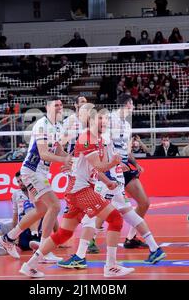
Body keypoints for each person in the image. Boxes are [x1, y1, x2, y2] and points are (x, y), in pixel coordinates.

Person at [19, 105, 134, 278]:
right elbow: (99, 166)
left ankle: (30, 265)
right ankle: (110, 267)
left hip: (80, 190)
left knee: (65, 233)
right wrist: (114, 163)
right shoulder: (87, 137)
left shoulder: (100, 140)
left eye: (107, 119)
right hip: (80, 190)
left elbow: (96, 170)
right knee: (116, 219)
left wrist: (108, 181)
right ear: (92, 120)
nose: (105, 122)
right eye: (101, 118)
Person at [57, 116, 166, 270]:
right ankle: (155, 248)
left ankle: (81, 256)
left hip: (107, 180)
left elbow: (99, 165)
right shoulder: (102, 136)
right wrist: (119, 165)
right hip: (116, 178)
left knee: (91, 216)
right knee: (128, 213)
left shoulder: (96, 137)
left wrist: (108, 177)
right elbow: (109, 158)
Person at [1, 96, 72, 263]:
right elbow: (44, 154)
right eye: (56, 105)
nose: (60, 107)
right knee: (54, 206)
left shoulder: (58, 126)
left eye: (61, 105)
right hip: (32, 171)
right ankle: (43, 250)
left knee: (41, 210)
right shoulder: (41, 126)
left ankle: (8, 239)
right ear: (47, 107)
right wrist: (64, 161)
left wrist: (72, 160)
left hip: (40, 172)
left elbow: (59, 150)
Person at [110, 94, 150, 248]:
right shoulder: (110, 120)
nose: (133, 107)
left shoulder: (127, 125)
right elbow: (106, 146)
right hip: (111, 169)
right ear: (127, 104)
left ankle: (131, 238)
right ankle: (90, 240)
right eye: (132, 104)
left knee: (144, 203)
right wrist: (116, 163)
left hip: (125, 168)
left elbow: (125, 150)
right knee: (105, 207)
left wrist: (135, 163)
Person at [0, 172, 41, 255]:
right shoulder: (16, 194)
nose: (20, 183)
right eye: (18, 181)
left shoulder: (38, 192)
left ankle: (31, 238)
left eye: (21, 180)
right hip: (21, 227)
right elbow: (15, 216)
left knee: (27, 205)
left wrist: (56, 236)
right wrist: (14, 233)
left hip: (35, 229)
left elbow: (51, 212)